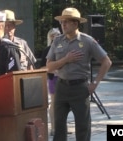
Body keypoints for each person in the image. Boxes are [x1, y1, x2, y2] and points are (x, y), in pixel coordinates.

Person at [46, 7, 112, 141]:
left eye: (66, 22)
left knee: (83, 126)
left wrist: (95, 83)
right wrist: (66, 59)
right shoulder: (57, 41)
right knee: (58, 127)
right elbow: (49, 66)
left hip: (80, 88)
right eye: (61, 22)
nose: (63, 25)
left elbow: (106, 62)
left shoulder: (87, 41)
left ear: (75, 24)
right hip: (61, 87)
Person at [40, 28, 61, 136]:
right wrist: (53, 69)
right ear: (50, 37)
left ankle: (61, 126)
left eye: (58, 34)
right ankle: (53, 128)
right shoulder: (47, 50)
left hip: (65, 79)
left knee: (63, 104)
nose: (56, 36)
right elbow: (42, 67)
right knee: (54, 103)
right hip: (53, 78)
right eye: (53, 35)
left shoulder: (64, 48)